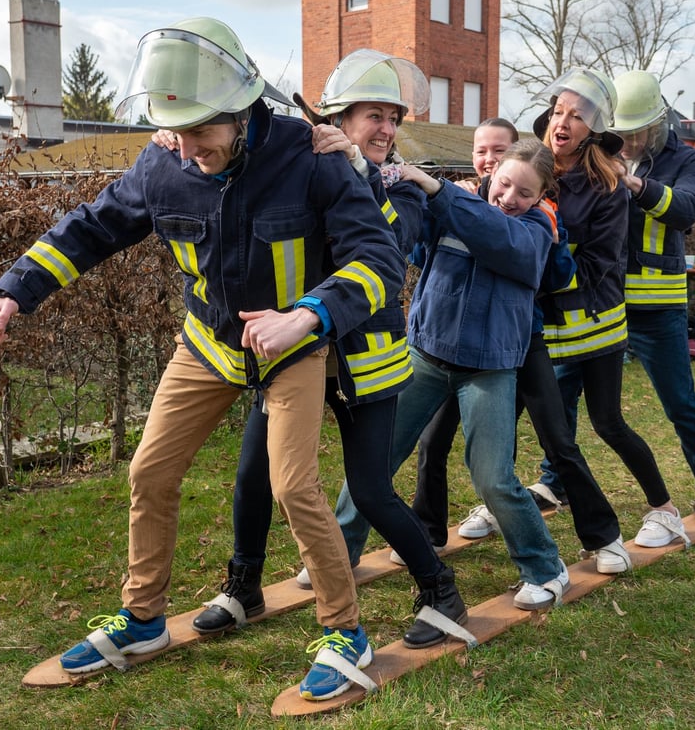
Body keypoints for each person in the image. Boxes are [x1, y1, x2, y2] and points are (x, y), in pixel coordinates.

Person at [0, 18, 406, 702]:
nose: (185, 147)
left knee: (294, 486)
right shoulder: (164, 160)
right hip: (206, 345)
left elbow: (379, 260)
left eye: (200, 131)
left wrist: (308, 315)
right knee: (149, 470)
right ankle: (143, 618)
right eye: (173, 131)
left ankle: (344, 631)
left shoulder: (313, 158)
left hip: (293, 346)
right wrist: (15, 289)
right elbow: (93, 226)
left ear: (240, 112)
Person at [184, 49, 471, 654]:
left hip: (365, 362)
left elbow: (391, 246)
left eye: (394, 118)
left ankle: (441, 592)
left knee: (368, 488)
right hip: (297, 354)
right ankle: (243, 586)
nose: (387, 130)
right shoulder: (309, 165)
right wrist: (182, 127)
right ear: (339, 117)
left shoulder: (402, 187)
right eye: (374, 115)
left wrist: (359, 175)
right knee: (253, 473)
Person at [344, 138, 572, 611]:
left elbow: (499, 239)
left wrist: (439, 191)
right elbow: (407, 238)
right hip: (425, 356)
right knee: (374, 461)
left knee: (493, 478)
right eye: (504, 184)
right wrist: (369, 175)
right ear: (493, 175)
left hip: (488, 368)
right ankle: (337, 554)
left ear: (543, 196)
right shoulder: (462, 204)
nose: (510, 198)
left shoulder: (535, 232)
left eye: (525, 193)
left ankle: (546, 567)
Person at [527, 68, 691, 550]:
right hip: (545, 332)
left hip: (595, 329)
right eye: (558, 112)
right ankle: (538, 507)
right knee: (552, 434)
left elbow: (600, 264)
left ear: (593, 131)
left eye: (576, 117)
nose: (563, 122)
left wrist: (540, 267)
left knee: (608, 423)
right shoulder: (533, 171)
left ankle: (664, 509)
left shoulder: (606, 187)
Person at [610, 70, 695, 525]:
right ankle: (554, 480)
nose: (626, 141)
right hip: (604, 302)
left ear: (657, 122)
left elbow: (687, 210)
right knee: (565, 393)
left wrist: (638, 186)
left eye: (634, 132)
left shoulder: (688, 162)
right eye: (619, 131)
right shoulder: (603, 152)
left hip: (657, 308)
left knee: (680, 402)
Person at [407, 118, 520, 552]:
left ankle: (588, 536)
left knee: (503, 454)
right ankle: (429, 531)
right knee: (431, 442)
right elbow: (421, 254)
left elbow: (545, 267)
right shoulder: (454, 200)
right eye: (480, 151)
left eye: (499, 151)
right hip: (443, 349)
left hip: (504, 351)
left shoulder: (531, 212)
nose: (488, 160)